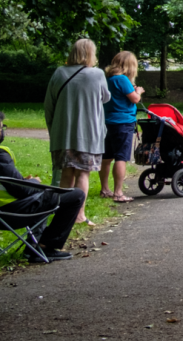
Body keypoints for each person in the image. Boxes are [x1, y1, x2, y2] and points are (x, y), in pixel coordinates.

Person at [0, 110, 85, 262]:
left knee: (42, 195)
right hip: (10, 213)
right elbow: (23, 190)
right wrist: (34, 182)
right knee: (75, 195)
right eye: (1, 128)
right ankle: (45, 246)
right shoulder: (1, 156)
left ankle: (33, 246)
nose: (2, 132)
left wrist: (23, 182)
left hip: (8, 211)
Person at [43, 38, 110, 220]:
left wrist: (53, 130)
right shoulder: (97, 74)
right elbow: (106, 97)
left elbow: (49, 105)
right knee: (83, 174)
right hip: (88, 135)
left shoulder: (59, 73)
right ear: (91, 54)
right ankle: (79, 215)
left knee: (66, 174)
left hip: (63, 135)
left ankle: (63, 216)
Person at [98, 50, 141, 203]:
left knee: (106, 158)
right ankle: (118, 193)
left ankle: (105, 189)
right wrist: (138, 91)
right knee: (121, 158)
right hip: (123, 122)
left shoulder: (108, 79)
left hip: (107, 121)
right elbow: (135, 99)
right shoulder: (122, 79)